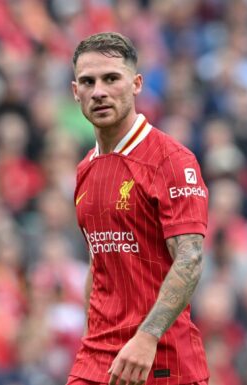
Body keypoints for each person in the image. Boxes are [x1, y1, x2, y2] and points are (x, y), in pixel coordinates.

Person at [66, 32, 210, 385]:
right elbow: (98, 261)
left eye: (111, 78)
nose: (98, 90)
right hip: (97, 359)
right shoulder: (86, 168)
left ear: (136, 84)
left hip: (162, 359)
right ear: (75, 91)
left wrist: (146, 338)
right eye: (88, 81)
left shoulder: (171, 161)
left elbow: (189, 259)